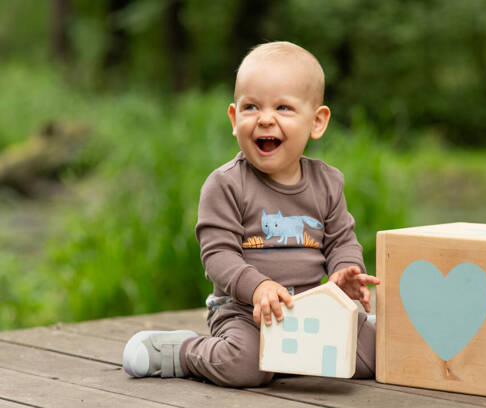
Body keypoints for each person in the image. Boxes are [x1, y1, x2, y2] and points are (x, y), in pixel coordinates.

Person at [122, 41, 380, 387]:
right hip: (244, 313)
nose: (265, 119)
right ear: (234, 118)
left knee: (377, 353)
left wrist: (345, 273)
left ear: (317, 122)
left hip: (309, 311)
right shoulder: (226, 185)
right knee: (244, 366)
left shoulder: (327, 183)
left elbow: (342, 242)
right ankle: (183, 350)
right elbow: (217, 255)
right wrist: (257, 287)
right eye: (251, 107)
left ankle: (288, 358)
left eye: (284, 107)